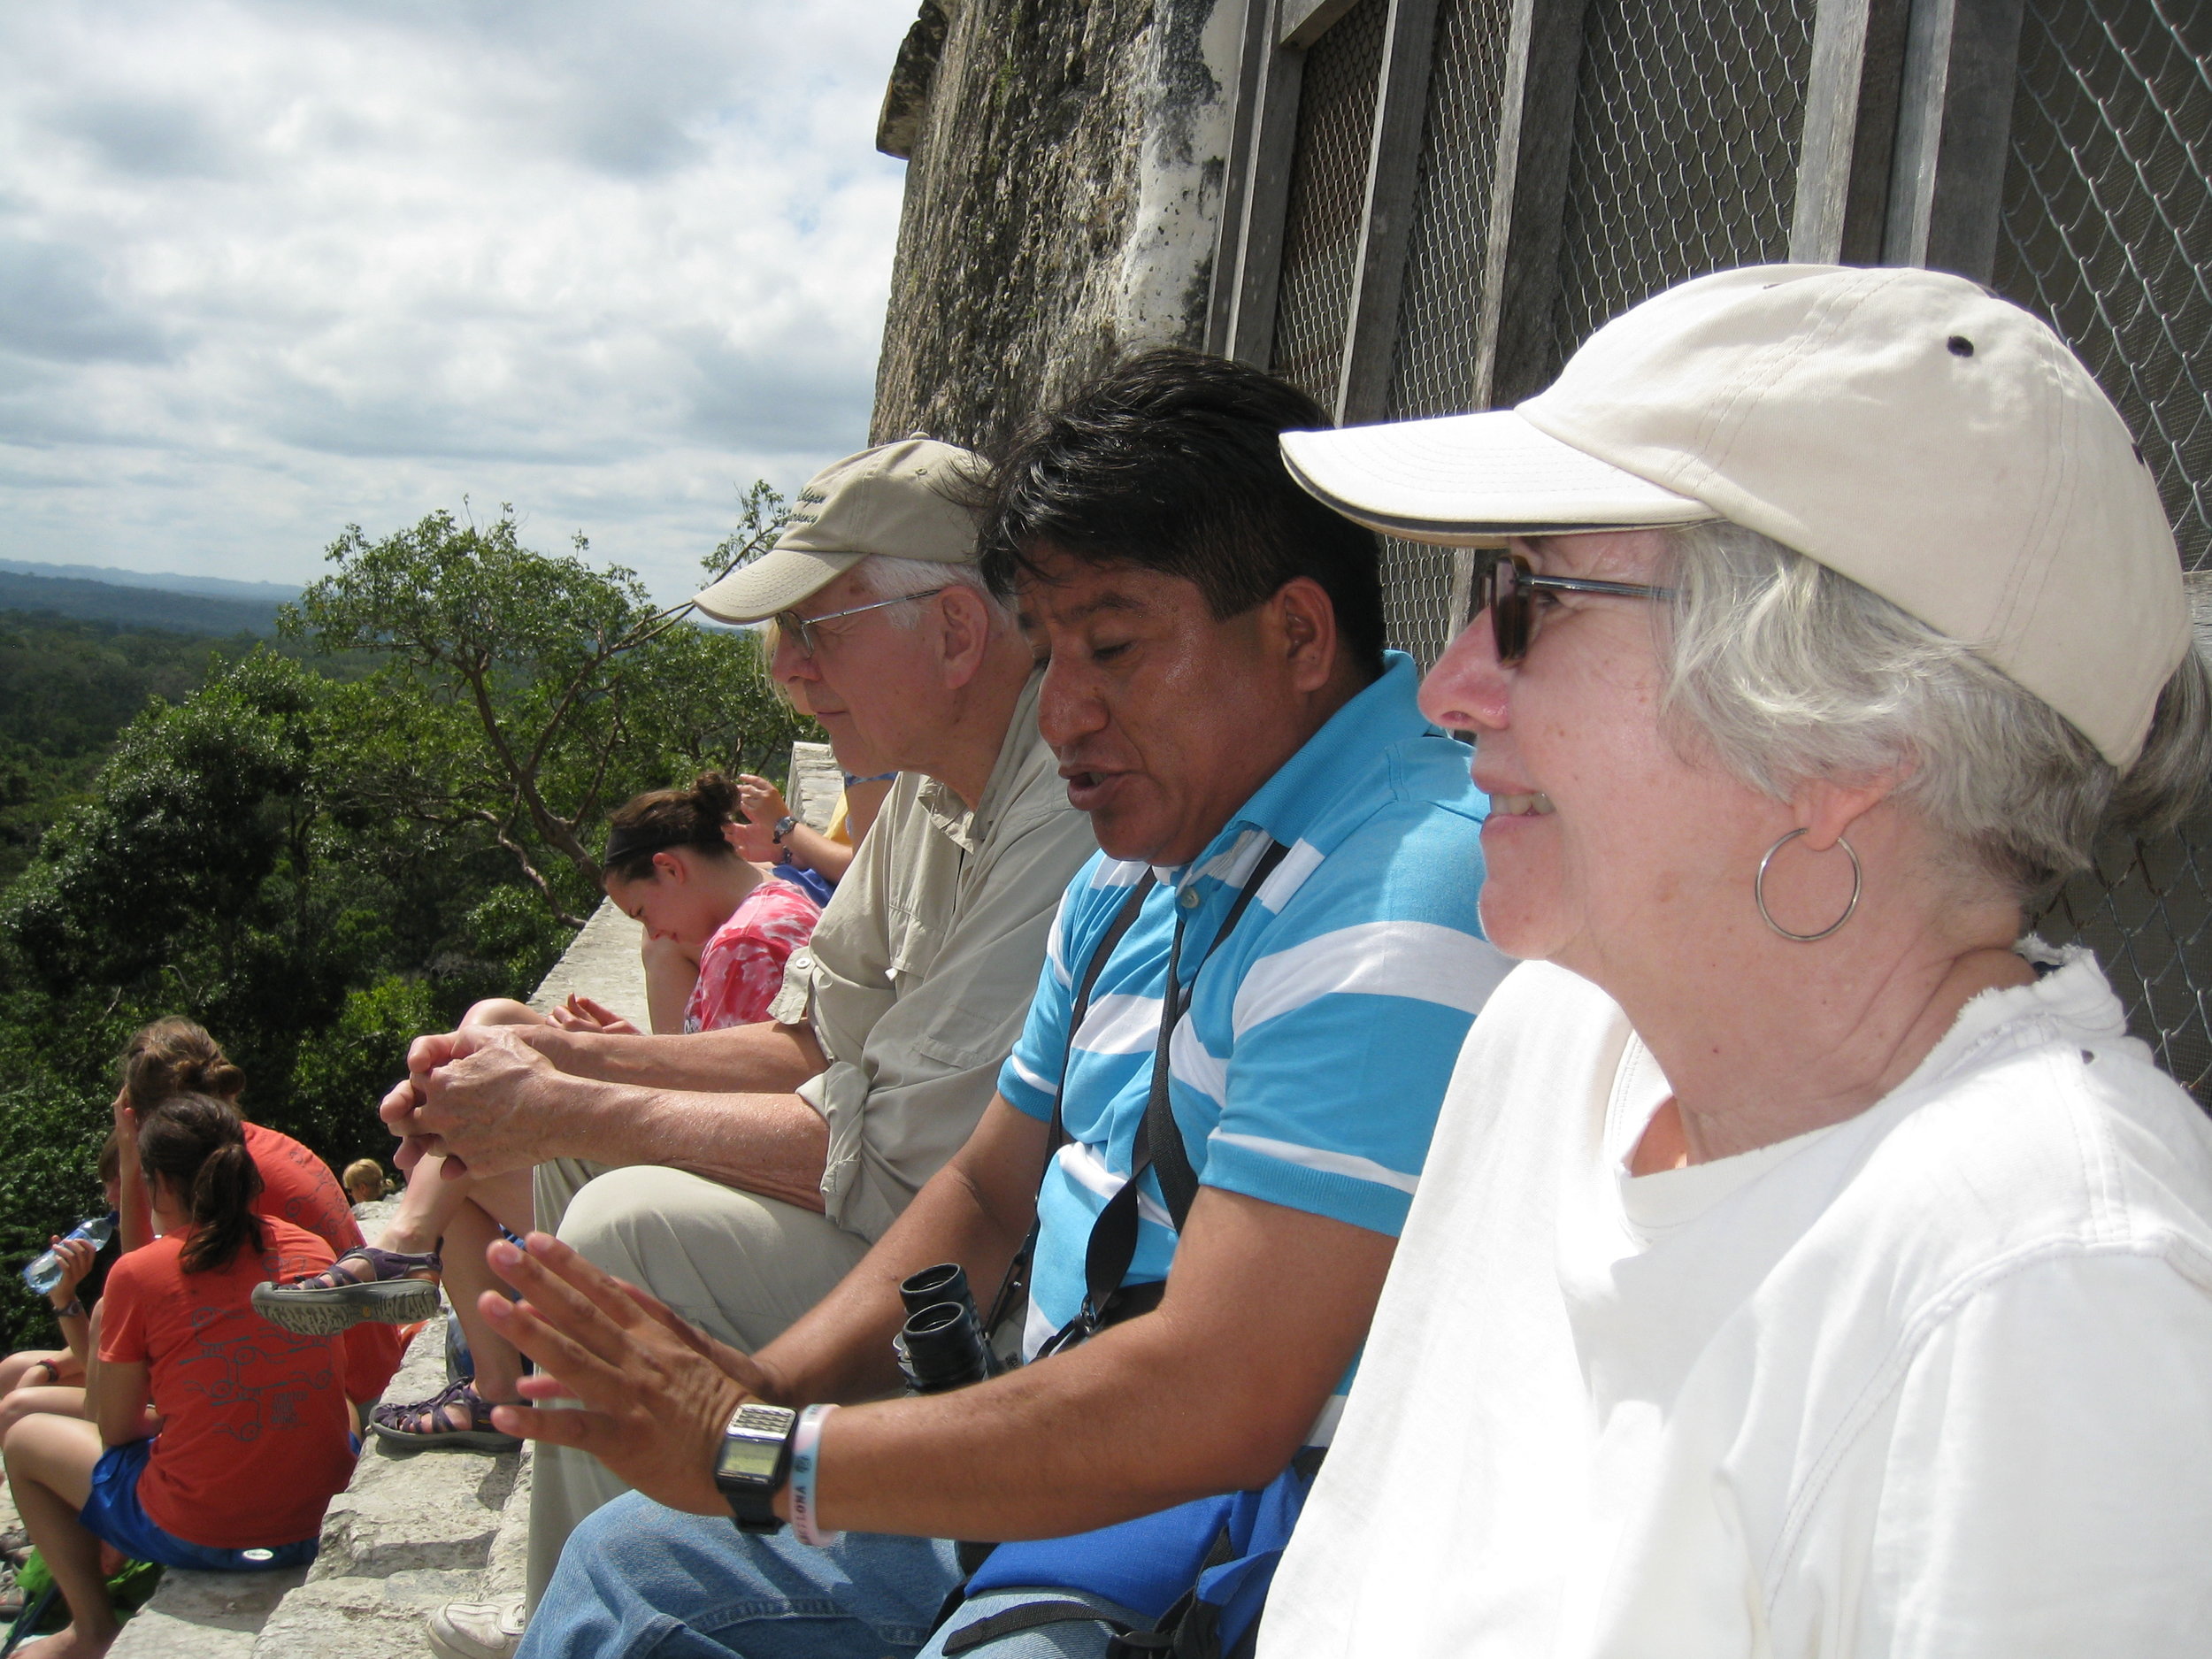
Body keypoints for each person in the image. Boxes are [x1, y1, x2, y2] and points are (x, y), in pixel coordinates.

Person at [448, 349, 1509, 1659]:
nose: (1063, 709)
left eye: (1112, 646)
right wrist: (760, 1384)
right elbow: (988, 1191)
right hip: (1056, 1449)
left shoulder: (1405, 882)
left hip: (1219, 1532)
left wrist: (770, 1448)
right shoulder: (1140, 867)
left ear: (1296, 633)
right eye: (1051, 649)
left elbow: (1225, 1393)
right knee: (634, 1567)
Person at [1253, 263, 2212, 1656]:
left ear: (1845, 740)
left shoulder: (2050, 1290)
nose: (1449, 683)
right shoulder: (1554, 1042)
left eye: (1534, 597)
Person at [383, 437, 1100, 1655]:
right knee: (572, 1180)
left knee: (616, 1220)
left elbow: (901, 1165)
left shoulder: (1064, 810)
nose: (791, 674)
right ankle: (577, 1592)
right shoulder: (932, 784)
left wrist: (569, 1100)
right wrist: (558, 1067)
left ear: (958, 631)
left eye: (818, 630)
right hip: (917, 1217)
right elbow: (805, 1037)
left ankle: (657, 1595)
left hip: (979, 1291)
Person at [3, 1092, 356, 1658]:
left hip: (205, 1536)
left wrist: (184, 1424)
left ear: (159, 1184)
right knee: (342, 1405)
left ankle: (90, 1629)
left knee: (22, 1439)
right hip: (317, 1518)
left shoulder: (138, 1274)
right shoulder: (310, 1249)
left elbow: (112, 1430)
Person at [110, 1020, 407, 1417]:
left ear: (141, 1118)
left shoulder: (215, 1177)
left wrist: (131, 1161)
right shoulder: (258, 1147)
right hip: (373, 1369)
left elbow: (141, 1292)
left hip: (343, 1396)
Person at [593, 771, 824, 1036]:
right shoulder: (784, 896)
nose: (655, 933)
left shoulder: (743, 944)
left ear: (669, 868)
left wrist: (620, 1060)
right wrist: (636, 1050)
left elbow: (735, 1076)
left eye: (642, 912)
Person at [0, 1138, 124, 1438]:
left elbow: (104, 1369)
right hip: (122, 1374)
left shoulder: (150, 1253)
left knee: (17, 1407)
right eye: (106, 1184)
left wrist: (66, 1300)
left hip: (144, 1399)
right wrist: (49, 1366)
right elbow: (101, 1347)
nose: (109, 1197)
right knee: (11, 1371)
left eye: (118, 1183)